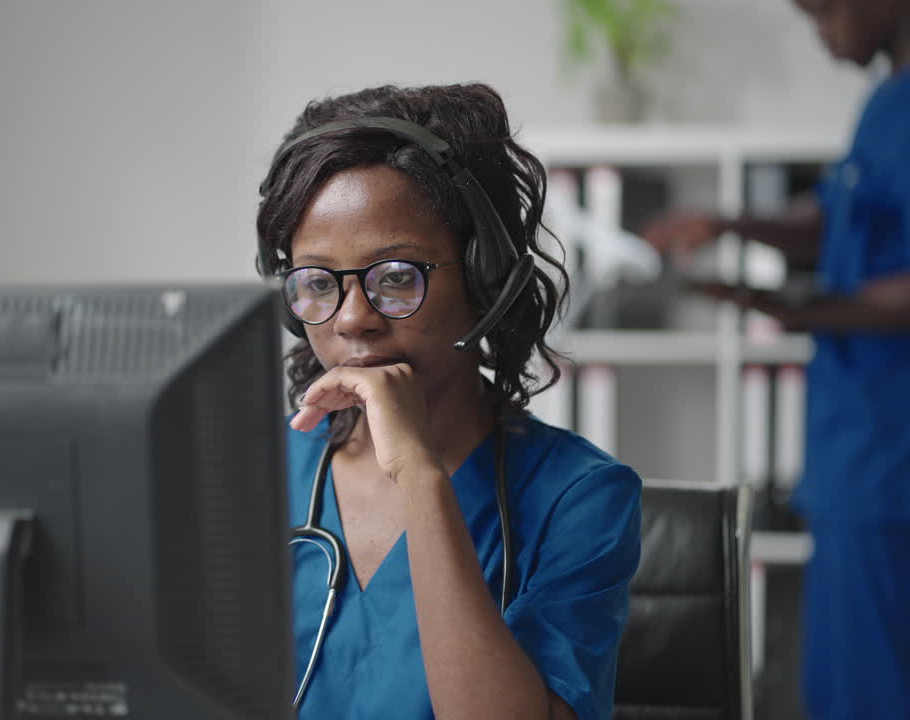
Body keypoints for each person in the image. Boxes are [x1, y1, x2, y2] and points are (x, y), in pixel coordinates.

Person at [255, 83, 642, 720]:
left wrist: (420, 475)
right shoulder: (252, 470)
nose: (352, 318)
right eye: (319, 282)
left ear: (486, 279)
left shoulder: (580, 497)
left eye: (396, 276)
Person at [644, 2, 910, 716]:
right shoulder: (883, 103)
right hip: (851, 449)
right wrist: (725, 223)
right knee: (839, 675)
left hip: (891, 460)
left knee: (877, 685)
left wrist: (794, 308)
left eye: (825, 14)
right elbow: (830, 218)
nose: (821, 37)